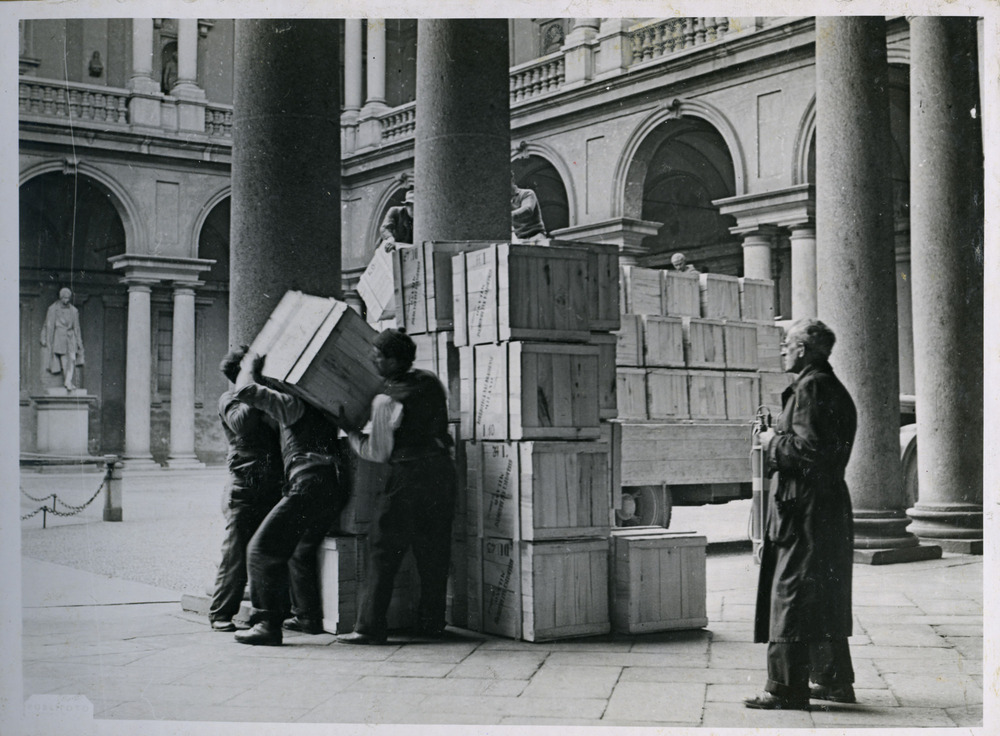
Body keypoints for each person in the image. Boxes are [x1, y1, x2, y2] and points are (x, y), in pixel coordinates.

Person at [744, 318, 858, 710]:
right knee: (821, 591)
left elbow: (810, 453)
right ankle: (832, 680)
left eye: (786, 343)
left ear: (804, 350)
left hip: (804, 507)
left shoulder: (810, 388)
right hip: (822, 506)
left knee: (791, 592)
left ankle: (785, 688)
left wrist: (771, 440)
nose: (781, 350)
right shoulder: (826, 386)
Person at [337, 329, 456, 645]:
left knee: (383, 550)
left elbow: (378, 452)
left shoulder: (386, 400)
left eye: (378, 356)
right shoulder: (430, 381)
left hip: (407, 478)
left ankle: (370, 627)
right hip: (442, 474)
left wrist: (351, 433)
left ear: (393, 360)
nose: (373, 360)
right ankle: (432, 624)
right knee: (433, 550)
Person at [231, 352, 350, 646]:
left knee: (260, 549)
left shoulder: (292, 404)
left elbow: (245, 392)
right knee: (300, 549)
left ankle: (266, 625)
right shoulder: (320, 405)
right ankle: (307, 617)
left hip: (308, 484)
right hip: (331, 485)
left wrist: (249, 368)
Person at [208, 347, 284, 632]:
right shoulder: (229, 399)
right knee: (235, 553)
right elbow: (242, 423)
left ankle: (266, 612)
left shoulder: (265, 398)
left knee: (263, 549)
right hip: (244, 484)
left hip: (270, 482)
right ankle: (220, 614)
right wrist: (250, 383)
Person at [41, 287, 85, 391]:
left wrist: (79, 343)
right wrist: (45, 339)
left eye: (68, 298)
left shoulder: (74, 311)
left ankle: (68, 381)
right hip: (59, 339)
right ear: (60, 298)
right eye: (64, 298)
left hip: (70, 338)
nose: (66, 300)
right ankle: (68, 382)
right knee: (65, 361)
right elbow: (48, 325)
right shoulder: (53, 309)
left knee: (72, 359)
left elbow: (77, 328)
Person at [511, 172, 547, 243]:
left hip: (536, 237)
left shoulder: (527, 193)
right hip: (520, 240)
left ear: (512, 180)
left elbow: (528, 210)